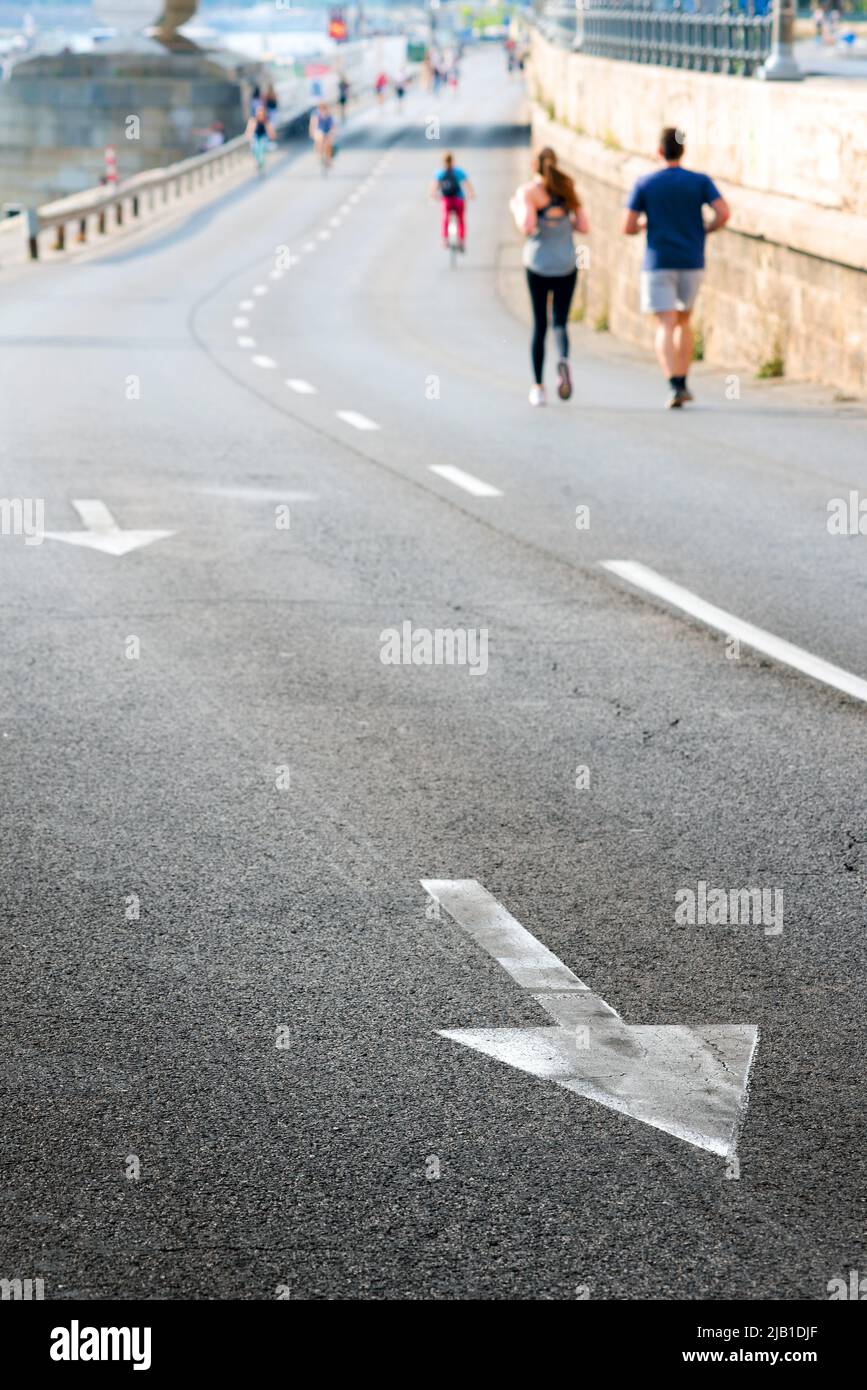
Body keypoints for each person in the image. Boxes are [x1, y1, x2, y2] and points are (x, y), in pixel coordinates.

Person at [622, 125, 730, 408]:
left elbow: (628, 226)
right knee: (684, 320)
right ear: (683, 150)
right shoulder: (699, 181)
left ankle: (672, 384)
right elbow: (723, 212)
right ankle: (683, 381)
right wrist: (705, 229)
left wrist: (646, 224)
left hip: (658, 261)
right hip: (691, 258)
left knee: (665, 323)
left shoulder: (645, 183)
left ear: (658, 151)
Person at [510, 147, 589, 407]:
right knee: (560, 323)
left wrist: (517, 207)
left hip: (539, 264)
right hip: (566, 262)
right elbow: (583, 226)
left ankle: (538, 388)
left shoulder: (529, 192)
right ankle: (563, 359)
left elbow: (527, 226)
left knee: (539, 325)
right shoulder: (566, 186)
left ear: (535, 164)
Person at [429, 152, 474, 253]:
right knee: (461, 219)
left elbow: (434, 187)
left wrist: (433, 195)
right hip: (459, 199)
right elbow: (467, 184)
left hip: (446, 200)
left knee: (445, 218)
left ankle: (445, 239)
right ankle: (461, 241)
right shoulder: (458, 172)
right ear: (453, 161)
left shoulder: (440, 173)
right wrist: (471, 194)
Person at [245, 103, 275, 172]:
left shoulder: (265, 121)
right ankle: (258, 161)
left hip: (263, 137)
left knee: (261, 147)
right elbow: (249, 130)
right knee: (256, 147)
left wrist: (272, 135)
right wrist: (249, 136)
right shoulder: (253, 120)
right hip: (256, 137)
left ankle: (261, 162)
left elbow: (270, 131)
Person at [309, 101, 335, 169]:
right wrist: (312, 132)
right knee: (319, 139)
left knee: (329, 144)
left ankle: (329, 160)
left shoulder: (329, 115)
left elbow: (333, 126)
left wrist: (332, 132)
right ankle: (320, 155)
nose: (322, 110)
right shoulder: (316, 115)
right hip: (319, 130)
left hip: (327, 131)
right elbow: (313, 124)